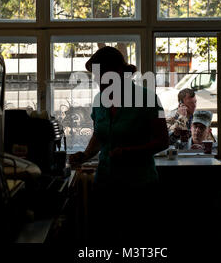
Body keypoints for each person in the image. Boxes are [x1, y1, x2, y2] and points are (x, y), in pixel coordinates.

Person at [69, 46, 169, 245]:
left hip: (138, 187)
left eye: (101, 75)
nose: (97, 81)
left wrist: (129, 152)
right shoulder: (99, 101)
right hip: (105, 183)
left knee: (136, 241)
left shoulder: (149, 99)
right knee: (105, 239)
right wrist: (85, 155)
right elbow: (99, 135)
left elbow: (163, 141)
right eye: (96, 76)